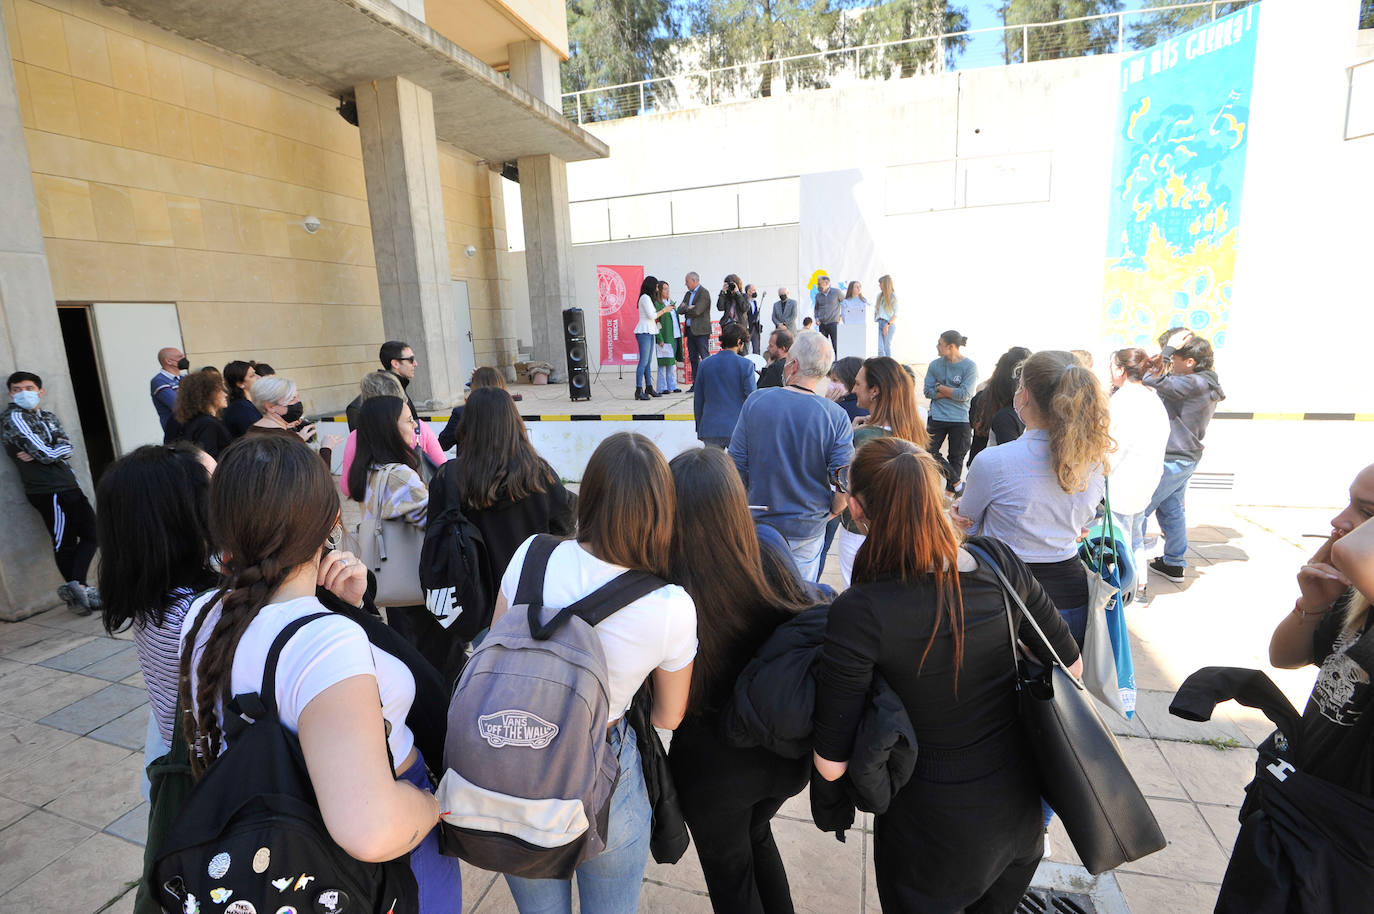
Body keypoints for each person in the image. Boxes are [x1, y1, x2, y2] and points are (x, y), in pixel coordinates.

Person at [179, 434, 459, 910]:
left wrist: (348, 610)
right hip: (386, 853)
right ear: (331, 521)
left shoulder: (204, 612)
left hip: (273, 837)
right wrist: (434, 806)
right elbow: (370, 830)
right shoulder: (324, 642)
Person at [812, 437, 1083, 913]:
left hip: (929, 838)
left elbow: (831, 761)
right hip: (1019, 816)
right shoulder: (998, 562)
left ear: (857, 510)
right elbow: (1071, 666)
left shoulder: (861, 611)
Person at [492, 432, 696, 914]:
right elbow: (668, 717)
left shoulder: (532, 554)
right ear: (662, 509)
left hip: (513, 755)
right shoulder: (669, 606)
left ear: (589, 494)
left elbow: (498, 643)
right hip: (602, 767)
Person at [666, 448, 814, 914]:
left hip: (713, 773)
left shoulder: (665, 586)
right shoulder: (769, 551)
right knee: (758, 835)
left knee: (732, 879)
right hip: (783, 754)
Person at [957, 350, 1110, 647]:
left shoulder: (994, 461)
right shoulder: (1093, 462)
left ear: (1024, 395)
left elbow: (969, 527)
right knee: (1063, 689)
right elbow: (1083, 520)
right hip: (1069, 592)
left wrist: (956, 518)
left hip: (1004, 593)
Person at [95, 443, 217, 785]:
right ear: (184, 515)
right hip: (210, 777)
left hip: (170, 749)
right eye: (215, 487)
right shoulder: (200, 614)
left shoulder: (153, 591)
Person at [432, 387, 576, 634]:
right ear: (514, 422)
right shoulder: (539, 473)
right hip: (535, 596)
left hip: (476, 603)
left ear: (468, 424)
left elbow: (435, 540)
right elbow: (564, 527)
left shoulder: (449, 477)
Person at [1269, 464, 1374, 796]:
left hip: (1349, 824)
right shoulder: (1360, 598)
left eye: (1367, 512)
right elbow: (1284, 657)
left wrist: (1343, 549)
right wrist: (1313, 605)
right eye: (1350, 503)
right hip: (1307, 793)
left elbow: (1348, 550)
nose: (1339, 521)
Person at [730, 332, 855, 582]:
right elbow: (844, 478)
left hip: (760, 524)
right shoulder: (835, 416)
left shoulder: (756, 402)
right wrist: (834, 509)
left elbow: (735, 466)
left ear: (793, 365)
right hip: (808, 525)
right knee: (801, 597)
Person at [347, 396, 437, 663]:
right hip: (417, 580)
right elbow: (432, 523)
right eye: (409, 421)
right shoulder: (400, 475)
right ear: (389, 428)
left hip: (390, 576)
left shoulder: (367, 470)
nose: (415, 427)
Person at [2, 371, 100, 614]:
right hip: (48, 490)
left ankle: (77, 586)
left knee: (93, 534)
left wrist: (46, 451)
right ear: (10, 393)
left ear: (40, 391)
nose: (23, 393)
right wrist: (49, 450)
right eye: (17, 389)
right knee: (64, 542)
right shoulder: (14, 418)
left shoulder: (47, 416)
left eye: (29, 387)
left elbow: (66, 446)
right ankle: (80, 593)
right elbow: (47, 452)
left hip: (68, 483)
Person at [1140, 329, 1225, 585]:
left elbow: (1149, 379)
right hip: (1184, 456)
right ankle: (1174, 563)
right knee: (1172, 509)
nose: (1170, 363)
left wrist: (1164, 354)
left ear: (1189, 362)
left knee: (1138, 509)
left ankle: (1131, 568)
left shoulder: (1193, 383)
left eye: (1174, 358)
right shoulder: (1204, 382)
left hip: (1173, 457)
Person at [834, 356, 928, 586]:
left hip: (861, 530)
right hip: (901, 529)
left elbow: (847, 487)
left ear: (874, 390)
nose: (853, 389)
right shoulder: (912, 430)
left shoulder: (863, 438)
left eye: (857, 383)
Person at [1106, 348, 1171, 597]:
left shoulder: (1122, 400)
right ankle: (1140, 585)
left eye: (1111, 366)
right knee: (1134, 534)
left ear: (1121, 369)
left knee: (1122, 537)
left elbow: (1113, 446)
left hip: (1124, 479)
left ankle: (1128, 587)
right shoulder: (1152, 397)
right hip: (1147, 478)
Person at [923, 330, 978, 493]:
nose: (937, 346)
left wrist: (939, 388)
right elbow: (927, 392)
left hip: (960, 419)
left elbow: (965, 395)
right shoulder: (935, 365)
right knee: (928, 452)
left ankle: (950, 493)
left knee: (957, 457)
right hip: (937, 417)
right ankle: (955, 481)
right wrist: (951, 391)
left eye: (940, 343)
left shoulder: (970, 367)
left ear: (951, 346)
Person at [246, 375, 339, 466]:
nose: (298, 402)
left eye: (298, 397)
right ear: (270, 406)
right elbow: (317, 478)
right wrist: (326, 448)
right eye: (292, 399)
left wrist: (298, 438)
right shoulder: (287, 443)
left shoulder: (250, 433)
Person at [695, 325, 758, 448]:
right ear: (739, 342)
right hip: (737, 428)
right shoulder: (746, 365)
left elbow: (698, 400)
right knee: (737, 466)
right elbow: (752, 399)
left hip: (710, 427)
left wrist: (700, 428)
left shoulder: (705, 364)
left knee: (713, 466)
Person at [968, 346, 1031, 465]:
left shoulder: (980, 398)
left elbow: (973, 425)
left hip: (977, 464)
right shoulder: (1014, 410)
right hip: (997, 471)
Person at [346, 341, 421, 429]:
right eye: (411, 360)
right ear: (395, 364)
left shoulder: (399, 386)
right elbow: (354, 410)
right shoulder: (381, 392)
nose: (415, 364)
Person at [436, 366, 506, 452]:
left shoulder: (462, 413)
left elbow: (442, 444)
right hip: (504, 464)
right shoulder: (508, 411)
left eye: (471, 388)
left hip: (470, 464)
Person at [170, 369, 232, 458]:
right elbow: (208, 460)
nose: (225, 394)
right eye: (219, 390)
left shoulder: (193, 421)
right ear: (207, 395)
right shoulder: (208, 424)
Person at [679, 271, 712, 388]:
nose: (685, 284)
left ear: (694, 280)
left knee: (704, 357)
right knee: (693, 358)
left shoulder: (704, 293)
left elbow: (698, 310)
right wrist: (689, 307)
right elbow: (680, 309)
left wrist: (687, 308)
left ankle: (709, 384)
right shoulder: (688, 294)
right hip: (690, 331)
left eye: (687, 282)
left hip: (701, 331)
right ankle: (696, 384)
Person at [634, 274, 663, 400]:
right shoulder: (645, 298)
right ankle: (638, 389)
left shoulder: (648, 298)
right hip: (644, 331)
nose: (658, 288)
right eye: (657, 286)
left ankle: (649, 387)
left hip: (650, 331)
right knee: (643, 362)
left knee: (648, 362)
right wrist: (665, 310)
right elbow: (652, 316)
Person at [221, 359, 261, 438]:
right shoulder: (241, 408)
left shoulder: (250, 404)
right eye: (252, 376)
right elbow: (256, 437)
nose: (258, 377)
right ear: (240, 384)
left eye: (255, 373)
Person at [150, 347, 186, 432]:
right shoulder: (159, 380)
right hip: (176, 432)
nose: (184, 359)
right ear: (168, 361)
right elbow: (178, 405)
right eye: (180, 357)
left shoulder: (185, 378)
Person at [655, 280, 682, 394]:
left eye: (668, 288)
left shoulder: (671, 302)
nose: (667, 291)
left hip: (674, 336)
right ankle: (662, 387)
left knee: (671, 362)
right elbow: (656, 322)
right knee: (663, 362)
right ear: (660, 291)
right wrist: (659, 338)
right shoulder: (658, 304)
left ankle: (672, 385)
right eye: (665, 289)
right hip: (665, 336)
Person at [828, 357, 868, 422]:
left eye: (835, 380)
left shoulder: (841, 409)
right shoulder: (870, 404)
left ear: (850, 380)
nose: (830, 384)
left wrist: (827, 406)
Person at [813, 276, 842, 355]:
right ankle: (824, 365)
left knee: (836, 345)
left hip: (833, 323)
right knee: (823, 346)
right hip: (822, 324)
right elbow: (816, 308)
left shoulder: (836, 292)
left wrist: (841, 316)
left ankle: (838, 363)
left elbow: (845, 303)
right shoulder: (818, 295)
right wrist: (816, 318)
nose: (818, 285)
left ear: (826, 283)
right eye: (817, 284)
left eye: (819, 284)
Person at [874, 275, 898, 358]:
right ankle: (883, 368)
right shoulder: (879, 296)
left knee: (886, 348)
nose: (879, 285)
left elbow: (896, 314)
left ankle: (889, 369)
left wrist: (887, 325)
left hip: (888, 324)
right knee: (879, 348)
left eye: (881, 283)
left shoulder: (893, 297)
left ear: (886, 284)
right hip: (878, 323)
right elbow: (876, 311)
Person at [745, 284, 764, 356]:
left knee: (756, 348)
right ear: (748, 292)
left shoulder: (755, 302)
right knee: (745, 348)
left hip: (755, 327)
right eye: (753, 290)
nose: (755, 292)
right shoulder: (744, 302)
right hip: (747, 328)